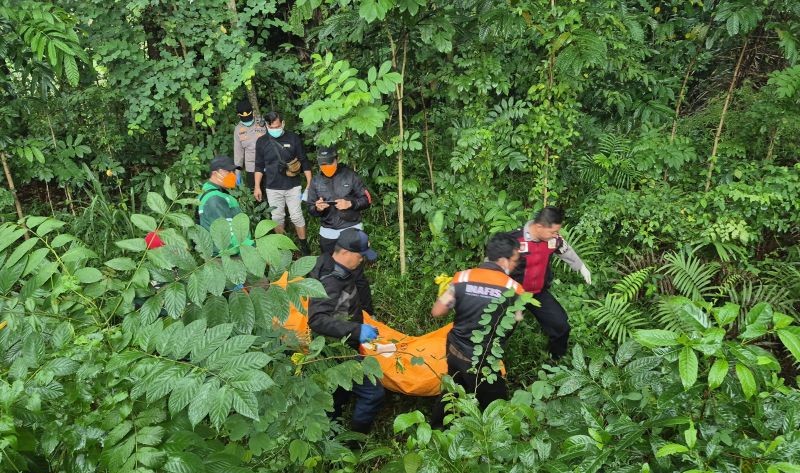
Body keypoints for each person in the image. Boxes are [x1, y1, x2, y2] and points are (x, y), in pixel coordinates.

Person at [430, 232, 524, 427]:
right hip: (484, 360)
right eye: (515, 260)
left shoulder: (463, 277)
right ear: (504, 261)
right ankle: (494, 438)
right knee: (496, 405)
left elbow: (437, 311)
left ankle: (437, 430)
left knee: (452, 391)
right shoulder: (513, 288)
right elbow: (516, 320)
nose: (516, 264)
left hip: (455, 350)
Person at [307, 228, 384, 435]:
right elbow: (316, 319)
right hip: (336, 348)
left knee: (337, 393)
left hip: (343, 341)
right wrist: (356, 329)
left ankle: (332, 430)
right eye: (360, 257)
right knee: (373, 393)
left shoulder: (334, 264)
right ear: (346, 253)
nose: (362, 261)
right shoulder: (332, 280)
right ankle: (355, 440)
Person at [507, 206, 592, 359]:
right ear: (539, 227)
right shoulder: (514, 239)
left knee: (561, 326)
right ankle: (487, 363)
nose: (556, 235)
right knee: (501, 329)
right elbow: (495, 264)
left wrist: (581, 266)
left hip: (538, 293)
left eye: (557, 232)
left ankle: (555, 359)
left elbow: (565, 250)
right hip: (512, 294)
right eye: (552, 232)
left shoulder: (553, 240)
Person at [306, 146, 375, 314]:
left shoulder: (350, 176)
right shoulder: (316, 181)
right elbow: (310, 208)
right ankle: (337, 311)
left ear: (336, 159)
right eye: (323, 165)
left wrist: (350, 203)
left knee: (357, 274)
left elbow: (366, 199)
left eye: (330, 163)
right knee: (331, 272)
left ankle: (368, 312)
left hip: (351, 231)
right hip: (328, 234)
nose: (327, 167)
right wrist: (318, 208)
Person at [253, 111, 312, 255]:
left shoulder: (293, 138)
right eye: (271, 127)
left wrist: (310, 183)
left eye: (277, 126)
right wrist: (256, 187)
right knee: (277, 218)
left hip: (293, 186)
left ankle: (303, 246)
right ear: (266, 125)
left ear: (283, 124)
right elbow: (259, 166)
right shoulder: (261, 142)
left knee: (296, 215)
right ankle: (283, 247)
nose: (275, 130)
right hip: (272, 187)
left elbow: (304, 160)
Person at [198, 156, 254, 255]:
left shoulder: (217, 194)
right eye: (229, 172)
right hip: (227, 257)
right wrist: (251, 251)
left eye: (233, 172)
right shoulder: (213, 199)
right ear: (215, 173)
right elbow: (228, 236)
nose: (233, 175)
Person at [233, 99, 266, 189]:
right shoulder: (238, 130)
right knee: (255, 195)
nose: (247, 120)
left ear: (252, 113)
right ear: (238, 116)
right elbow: (238, 154)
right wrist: (238, 173)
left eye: (249, 117)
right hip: (251, 168)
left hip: (267, 165)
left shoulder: (263, 123)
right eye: (244, 119)